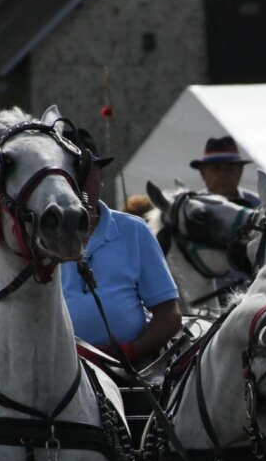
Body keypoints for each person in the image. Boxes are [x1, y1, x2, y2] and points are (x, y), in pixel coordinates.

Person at [60, 127, 182, 364]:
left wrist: (130, 351)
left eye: (88, 172)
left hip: (130, 368)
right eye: (72, 171)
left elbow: (169, 316)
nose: (80, 181)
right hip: (59, 369)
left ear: (102, 177)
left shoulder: (134, 231)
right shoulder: (38, 235)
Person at [190, 136, 259, 208]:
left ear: (240, 171)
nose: (223, 174)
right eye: (216, 168)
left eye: (230, 168)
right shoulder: (191, 207)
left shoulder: (259, 207)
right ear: (202, 173)